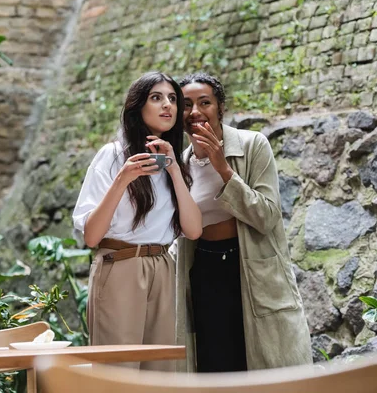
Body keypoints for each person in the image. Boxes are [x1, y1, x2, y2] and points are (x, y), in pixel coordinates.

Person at [175, 72, 312, 373]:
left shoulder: (253, 146)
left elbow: (267, 216)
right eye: (186, 105)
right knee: (215, 364)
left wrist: (223, 168)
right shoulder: (179, 165)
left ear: (220, 107)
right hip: (203, 271)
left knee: (265, 364)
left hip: (249, 267)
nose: (195, 112)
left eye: (205, 102)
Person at [73, 71, 203, 372]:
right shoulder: (112, 156)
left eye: (173, 99)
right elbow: (92, 237)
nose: (167, 106)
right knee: (119, 372)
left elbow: (194, 229)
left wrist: (173, 169)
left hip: (162, 268)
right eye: (156, 98)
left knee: (161, 373)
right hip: (120, 265)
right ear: (138, 107)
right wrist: (123, 179)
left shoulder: (176, 165)